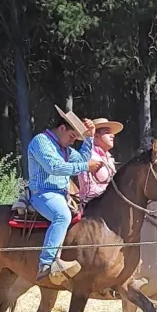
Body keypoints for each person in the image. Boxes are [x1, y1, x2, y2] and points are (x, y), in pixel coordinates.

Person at [28, 106, 101, 283]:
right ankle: (47, 263)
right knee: (61, 215)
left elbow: (83, 159)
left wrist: (89, 138)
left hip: (61, 194)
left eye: (75, 139)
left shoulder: (64, 149)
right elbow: (55, 168)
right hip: (43, 193)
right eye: (71, 136)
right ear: (62, 128)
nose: (72, 141)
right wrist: (86, 167)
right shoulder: (41, 141)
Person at [76, 118, 122, 204]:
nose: (113, 136)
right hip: (93, 206)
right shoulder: (89, 157)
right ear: (95, 137)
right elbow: (89, 191)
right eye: (107, 132)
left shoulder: (109, 158)